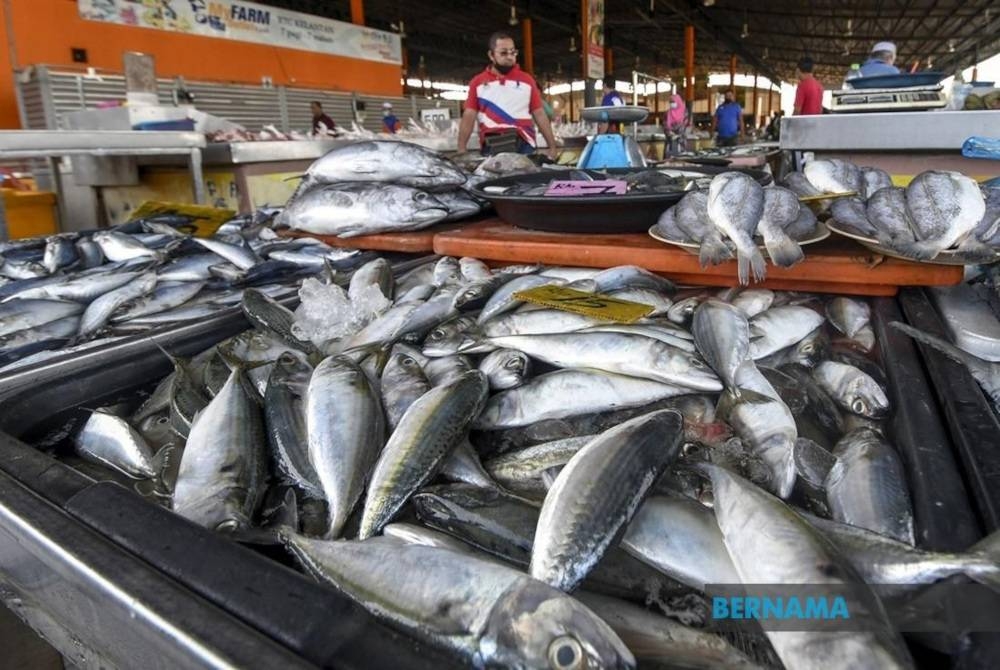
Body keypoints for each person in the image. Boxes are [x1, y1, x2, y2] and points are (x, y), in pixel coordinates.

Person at [457, 31, 559, 159]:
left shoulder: (527, 81)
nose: (510, 57)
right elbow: (468, 116)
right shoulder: (477, 83)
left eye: (513, 52)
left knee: (524, 178)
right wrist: (461, 148)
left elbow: (540, 114)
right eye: (503, 53)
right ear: (491, 55)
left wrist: (552, 147)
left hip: (524, 143)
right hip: (492, 145)